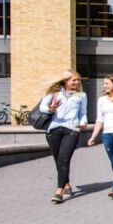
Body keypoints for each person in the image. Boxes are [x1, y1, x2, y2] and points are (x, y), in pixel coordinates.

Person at [39, 69, 87, 203]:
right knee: (58, 160)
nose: (77, 82)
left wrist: (83, 122)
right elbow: (43, 107)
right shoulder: (53, 93)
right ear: (66, 81)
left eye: (78, 80)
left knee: (64, 159)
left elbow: (83, 113)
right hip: (53, 130)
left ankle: (59, 190)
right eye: (74, 80)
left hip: (71, 129)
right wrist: (51, 108)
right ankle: (66, 184)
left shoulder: (81, 96)